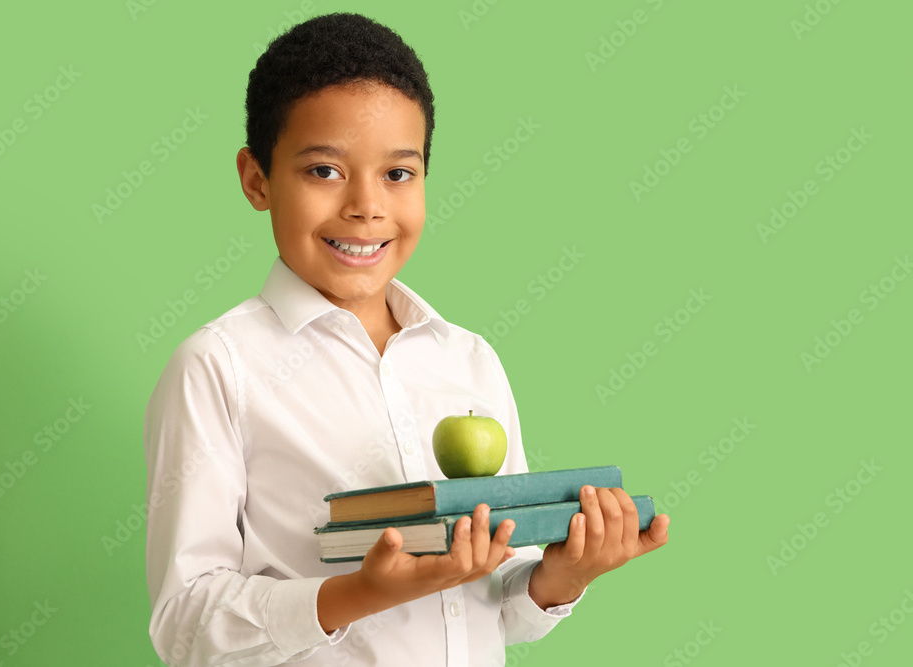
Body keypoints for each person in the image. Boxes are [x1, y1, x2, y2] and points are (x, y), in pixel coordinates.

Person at [143, 12, 669, 666]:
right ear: (257, 179)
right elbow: (185, 625)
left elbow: (499, 603)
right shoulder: (218, 367)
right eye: (324, 171)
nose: (366, 206)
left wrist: (562, 576)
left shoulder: (469, 360)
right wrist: (355, 592)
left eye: (398, 174)